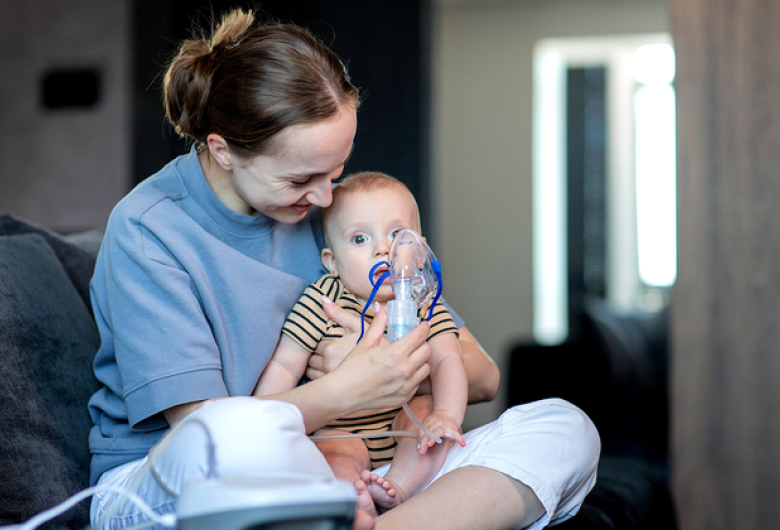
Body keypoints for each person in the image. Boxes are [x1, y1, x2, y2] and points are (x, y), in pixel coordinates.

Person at [86, 7, 600, 530]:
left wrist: (383, 361)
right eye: (301, 178)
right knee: (237, 434)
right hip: (173, 480)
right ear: (223, 151)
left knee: (565, 429)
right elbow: (206, 436)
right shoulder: (149, 231)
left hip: (359, 458)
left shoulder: (337, 218)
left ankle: (376, 520)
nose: (326, 196)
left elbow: (483, 375)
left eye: (335, 172)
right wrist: (347, 388)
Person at [256, 171, 468, 515]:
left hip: (404, 420)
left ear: (421, 249)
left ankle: (398, 487)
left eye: (398, 234)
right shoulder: (324, 301)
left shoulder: (425, 301)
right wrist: (265, 413)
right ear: (332, 262)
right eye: (359, 239)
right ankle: (354, 503)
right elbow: (285, 362)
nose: (384, 248)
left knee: (430, 420)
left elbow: (447, 360)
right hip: (341, 429)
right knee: (334, 454)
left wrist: (446, 414)